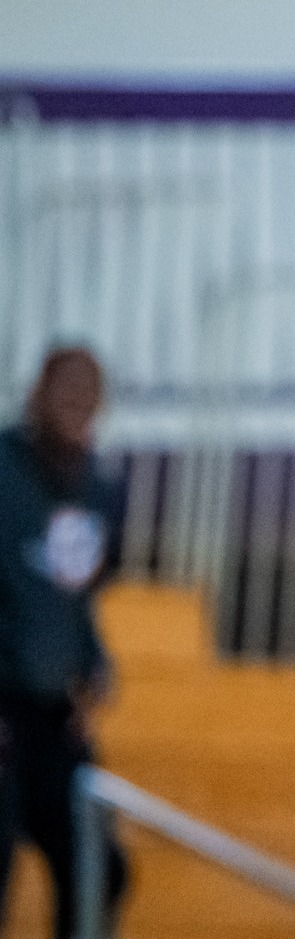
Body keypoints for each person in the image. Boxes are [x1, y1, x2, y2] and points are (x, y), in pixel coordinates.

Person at [0, 346, 132, 937]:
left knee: (101, 866)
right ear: (37, 396)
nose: (79, 403)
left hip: (53, 716)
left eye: (91, 394)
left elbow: (72, 595)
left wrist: (91, 664)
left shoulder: (96, 485)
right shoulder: (4, 468)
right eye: (67, 390)